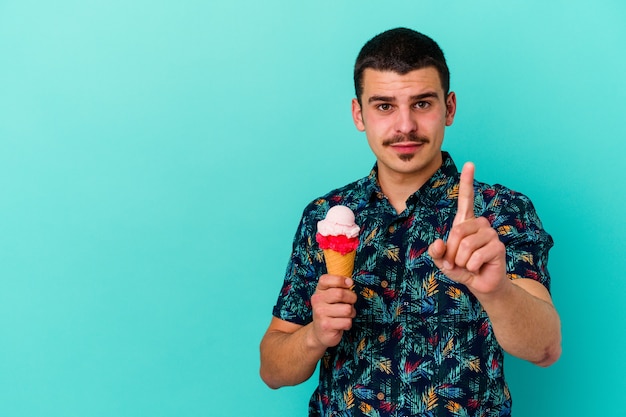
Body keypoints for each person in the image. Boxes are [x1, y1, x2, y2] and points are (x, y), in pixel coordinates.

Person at [260, 27, 561, 417]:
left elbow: (546, 348)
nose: (405, 126)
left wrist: (496, 290)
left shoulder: (501, 210)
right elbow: (272, 369)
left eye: (422, 104)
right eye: (384, 105)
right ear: (359, 114)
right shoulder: (324, 216)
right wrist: (315, 335)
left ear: (449, 108)